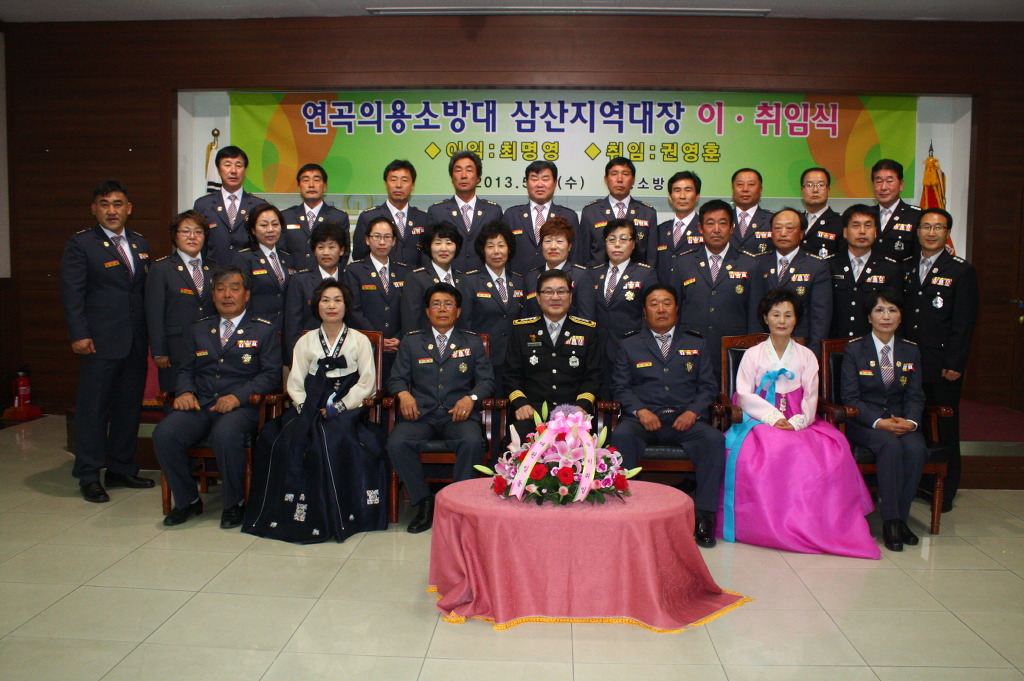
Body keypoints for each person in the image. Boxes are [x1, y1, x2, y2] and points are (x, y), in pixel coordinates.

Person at [721, 288, 879, 558]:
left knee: (827, 449)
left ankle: (811, 523)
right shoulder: (753, 354)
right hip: (758, 417)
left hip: (800, 418)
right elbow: (744, 394)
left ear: (796, 319)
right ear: (765, 318)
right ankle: (764, 523)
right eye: (776, 314)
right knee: (766, 447)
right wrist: (773, 417)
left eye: (788, 315)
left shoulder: (806, 355)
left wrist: (797, 421)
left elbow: (811, 396)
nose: (782, 321)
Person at [244, 279, 387, 543]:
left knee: (333, 438)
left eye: (337, 300)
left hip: (348, 406)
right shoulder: (306, 340)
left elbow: (367, 383)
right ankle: (294, 514)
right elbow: (295, 382)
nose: (331, 306)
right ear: (316, 306)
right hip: (309, 403)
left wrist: (339, 406)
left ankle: (340, 514)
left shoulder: (359, 340)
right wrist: (305, 407)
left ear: (346, 306)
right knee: (280, 439)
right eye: (325, 300)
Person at [153, 266, 282, 528]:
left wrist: (237, 397)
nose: (227, 295)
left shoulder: (263, 330)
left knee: (225, 435)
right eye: (221, 289)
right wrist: (185, 391)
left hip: (241, 407)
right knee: (165, 433)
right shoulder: (199, 329)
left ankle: (234, 503)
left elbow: (270, 376)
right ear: (213, 295)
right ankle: (188, 500)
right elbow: (185, 369)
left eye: (234, 288)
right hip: (201, 404)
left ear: (246, 294)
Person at [608, 284, 726, 548]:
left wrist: (693, 412)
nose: (661, 309)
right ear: (644, 311)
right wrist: (641, 410)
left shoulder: (696, 342)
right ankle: (628, 510)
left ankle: (704, 518)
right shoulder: (629, 344)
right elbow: (620, 387)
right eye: (654, 304)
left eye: (667, 303)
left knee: (714, 440)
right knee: (621, 436)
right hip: (643, 419)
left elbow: (708, 387)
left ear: (676, 309)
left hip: (685, 420)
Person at [61, 179, 154, 502]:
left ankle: (121, 468)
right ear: (94, 209)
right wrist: (79, 334)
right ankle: (88, 474)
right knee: (94, 410)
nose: (111, 211)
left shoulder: (140, 243)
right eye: (104, 205)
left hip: (135, 342)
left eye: (117, 204)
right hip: (98, 342)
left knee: (128, 408)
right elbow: (72, 294)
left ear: (128, 208)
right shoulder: (82, 244)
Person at [386, 283, 495, 533]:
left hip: (458, 415)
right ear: (427, 311)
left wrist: (471, 398)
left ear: (458, 311)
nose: (442, 309)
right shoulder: (412, 341)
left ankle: (459, 504)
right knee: (396, 443)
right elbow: (396, 379)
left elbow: (487, 381)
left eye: (448, 304)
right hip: (420, 415)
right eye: (436, 304)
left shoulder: (472, 342)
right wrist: (403, 394)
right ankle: (424, 501)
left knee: (472, 442)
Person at [902, 208, 978, 510]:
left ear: (947, 233)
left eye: (938, 227)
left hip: (941, 364)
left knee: (945, 426)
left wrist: (955, 363)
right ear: (917, 231)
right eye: (926, 227)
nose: (931, 233)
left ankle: (945, 489)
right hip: (909, 361)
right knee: (916, 423)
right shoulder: (906, 267)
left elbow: (964, 321)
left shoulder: (960, 270)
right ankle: (919, 483)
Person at [841, 287, 927, 552]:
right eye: (879, 310)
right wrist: (879, 422)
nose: (886, 316)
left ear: (901, 316)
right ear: (869, 317)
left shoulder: (910, 350)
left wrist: (911, 422)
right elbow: (850, 397)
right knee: (889, 446)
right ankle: (890, 521)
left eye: (892, 310)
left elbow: (915, 395)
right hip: (865, 423)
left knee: (916, 448)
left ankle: (902, 518)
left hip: (901, 421)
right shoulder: (855, 349)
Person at [504, 270, 601, 441]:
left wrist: (581, 406)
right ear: (538, 298)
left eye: (561, 291)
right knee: (517, 439)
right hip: (531, 413)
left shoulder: (587, 331)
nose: (555, 297)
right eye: (548, 292)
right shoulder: (522, 330)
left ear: (570, 296)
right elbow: (511, 374)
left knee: (586, 445)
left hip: (574, 413)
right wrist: (521, 403)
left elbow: (594, 376)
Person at [670, 199, 759, 383]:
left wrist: (752, 351)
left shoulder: (750, 264)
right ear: (700, 228)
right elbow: (675, 311)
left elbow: (755, 316)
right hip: (690, 351)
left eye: (723, 223)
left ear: (732, 228)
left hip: (734, 352)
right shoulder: (683, 263)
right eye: (710, 224)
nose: (716, 229)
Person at [575, 218, 657, 399]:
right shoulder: (593, 273)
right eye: (611, 239)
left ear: (633, 244)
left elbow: (649, 317)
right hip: (597, 351)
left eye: (623, 239)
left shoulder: (645, 274)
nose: (617, 244)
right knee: (598, 399)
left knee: (626, 399)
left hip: (631, 351)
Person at [146, 210, 219, 394]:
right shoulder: (161, 268)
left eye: (198, 232)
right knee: (176, 400)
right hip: (175, 349)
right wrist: (159, 351)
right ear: (175, 235)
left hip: (210, 349)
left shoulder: (215, 268)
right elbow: (154, 313)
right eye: (185, 231)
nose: (192, 236)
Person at [749, 208, 831, 358]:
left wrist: (813, 353)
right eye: (777, 228)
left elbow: (820, 316)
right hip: (763, 347)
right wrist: (754, 347)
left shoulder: (816, 266)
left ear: (801, 233)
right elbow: (754, 309)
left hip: (801, 346)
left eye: (790, 228)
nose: (783, 233)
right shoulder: (758, 263)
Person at [463, 221, 526, 390]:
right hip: (482, 360)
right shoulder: (470, 281)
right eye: (490, 246)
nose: (496, 251)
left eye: (501, 245)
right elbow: (465, 324)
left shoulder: (518, 280)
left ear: (509, 249)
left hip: (514, 360)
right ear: (482, 250)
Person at [345, 215, 409, 380]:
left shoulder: (404, 271)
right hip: (366, 346)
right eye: (377, 237)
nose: (382, 242)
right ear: (367, 240)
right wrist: (377, 338)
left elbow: (410, 310)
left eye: (387, 237)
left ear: (394, 241)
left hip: (397, 347)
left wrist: (400, 337)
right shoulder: (355, 271)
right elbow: (354, 311)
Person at [829, 204, 901, 339]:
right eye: (856, 226)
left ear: (875, 232)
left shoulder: (889, 268)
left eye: (868, 226)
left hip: (872, 344)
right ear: (845, 232)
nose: (862, 231)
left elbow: (895, 312)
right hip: (835, 342)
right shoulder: (829, 265)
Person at [283, 221, 350, 362]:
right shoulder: (300, 281)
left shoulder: (350, 280)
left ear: (341, 250)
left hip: (346, 355)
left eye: (331, 247)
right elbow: (292, 326)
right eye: (320, 247)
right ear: (314, 250)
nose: (326, 252)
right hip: (309, 355)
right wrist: (295, 360)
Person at [427, 150, 502, 272]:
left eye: (469, 170)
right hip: (448, 279)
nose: (463, 176)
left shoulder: (493, 211)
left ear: (478, 178)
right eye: (458, 170)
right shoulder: (437, 212)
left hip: (484, 279)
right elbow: (427, 251)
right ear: (452, 178)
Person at [503, 160, 581, 275]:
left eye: (545, 179)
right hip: (519, 281)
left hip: (557, 282)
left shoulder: (568, 216)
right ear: (526, 183)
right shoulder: (511, 215)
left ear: (555, 183)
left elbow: (575, 256)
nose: (540, 184)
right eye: (534, 179)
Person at [579, 156, 658, 266]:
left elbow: (651, 258)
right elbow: (583, 255)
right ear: (606, 179)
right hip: (599, 275)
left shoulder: (647, 213)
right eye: (614, 174)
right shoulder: (591, 212)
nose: (619, 179)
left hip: (636, 276)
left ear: (633, 180)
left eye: (625, 174)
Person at [193, 146, 264, 264]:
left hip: (248, 270)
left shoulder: (258, 205)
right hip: (214, 271)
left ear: (245, 170)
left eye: (238, 165)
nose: (233, 171)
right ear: (218, 169)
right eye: (227, 165)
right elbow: (198, 243)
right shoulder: (203, 205)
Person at [233, 203, 297, 334]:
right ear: (253, 229)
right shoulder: (244, 258)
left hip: (285, 329)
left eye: (275, 224)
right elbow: (240, 299)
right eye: (263, 225)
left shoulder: (287, 258)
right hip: (256, 329)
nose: (270, 230)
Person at [352, 159, 428, 267]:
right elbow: (359, 256)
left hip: (415, 277)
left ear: (412, 186)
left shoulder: (423, 218)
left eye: (404, 180)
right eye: (393, 180)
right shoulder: (368, 217)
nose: (398, 185)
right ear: (386, 184)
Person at [400, 222, 471, 334]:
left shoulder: (464, 280)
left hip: (459, 342)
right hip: (424, 342)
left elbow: (467, 320)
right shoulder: (415, 278)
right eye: (438, 243)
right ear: (429, 246)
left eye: (449, 243)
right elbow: (410, 321)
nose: (444, 249)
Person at [280, 163, 351, 273]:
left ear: (325, 186)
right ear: (299, 187)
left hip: (326, 280)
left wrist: (329, 277)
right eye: (306, 180)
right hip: (293, 279)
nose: (311, 185)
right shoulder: (286, 216)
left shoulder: (338, 217)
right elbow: (280, 250)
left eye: (316, 180)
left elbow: (344, 253)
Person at [522, 215, 588, 316]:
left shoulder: (581, 276)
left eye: (559, 241)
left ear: (569, 246)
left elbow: (586, 318)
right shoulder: (531, 277)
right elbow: (526, 317)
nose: (553, 247)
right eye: (548, 241)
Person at [654, 170, 703, 284]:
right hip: (664, 291)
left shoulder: (705, 229)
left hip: (694, 291)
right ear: (670, 197)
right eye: (677, 190)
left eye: (688, 190)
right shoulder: (660, 230)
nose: (682, 196)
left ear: (697, 197)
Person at [871, 159, 921, 262]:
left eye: (889, 181)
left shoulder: (916, 216)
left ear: (901, 185)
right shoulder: (865, 215)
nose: (883, 187)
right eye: (879, 181)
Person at [800, 167, 845, 259]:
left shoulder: (841, 222)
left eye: (820, 185)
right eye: (809, 185)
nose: (815, 190)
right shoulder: (796, 221)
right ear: (802, 190)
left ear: (828, 190)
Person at [730, 168, 775, 255]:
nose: (745, 189)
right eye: (740, 184)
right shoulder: (724, 219)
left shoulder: (773, 220)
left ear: (760, 189)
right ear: (733, 189)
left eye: (751, 184)